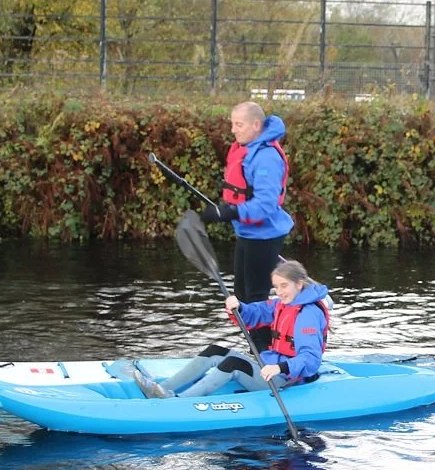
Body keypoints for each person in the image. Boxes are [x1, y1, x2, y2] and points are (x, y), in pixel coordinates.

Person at [130, 259, 330, 398]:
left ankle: (177, 401)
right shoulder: (283, 304)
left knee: (234, 363)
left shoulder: (308, 315)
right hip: (273, 367)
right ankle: (161, 389)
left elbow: (310, 360)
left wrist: (280, 367)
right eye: (276, 287)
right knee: (215, 351)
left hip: (288, 379)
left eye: (284, 286)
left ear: (299, 284)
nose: (279, 292)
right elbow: (257, 312)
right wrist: (239, 307)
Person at [197, 101, 294, 312]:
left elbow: (266, 206)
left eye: (239, 125)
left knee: (255, 298)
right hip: (248, 233)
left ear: (256, 125)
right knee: (241, 296)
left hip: (264, 235)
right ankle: (254, 343)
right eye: (232, 124)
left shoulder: (266, 157)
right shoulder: (248, 150)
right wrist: (226, 210)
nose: (233, 130)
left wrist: (231, 211)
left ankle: (262, 345)